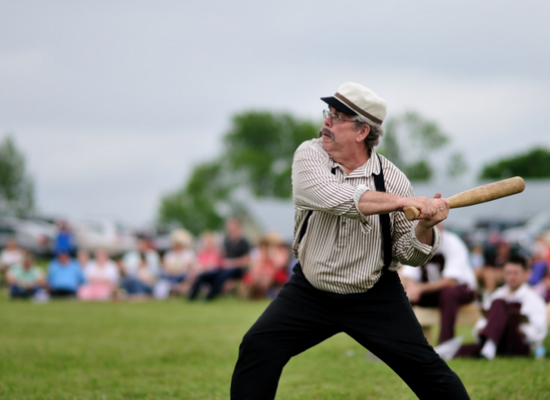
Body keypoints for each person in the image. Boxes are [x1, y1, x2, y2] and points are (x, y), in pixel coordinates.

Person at [230, 82, 470, 399]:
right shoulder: (309, 155)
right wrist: (401, 202)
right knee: (258, 346)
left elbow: (408, 254)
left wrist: (426, 226)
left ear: (361, 132)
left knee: (429, 372)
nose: (327, 121)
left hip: (374, 295)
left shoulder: (393, 179)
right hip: (310, 292)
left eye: (338, 116)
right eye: (328, 112)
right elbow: (333, 197)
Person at [442, 255, 547, 360]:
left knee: (500, 303)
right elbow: (484, 319)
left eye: (515, 273)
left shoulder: (533, 298)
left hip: (516, 343)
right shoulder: (497, 294)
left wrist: (523, 330)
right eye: (508, 273)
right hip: (499, 339)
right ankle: (487, 347)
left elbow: (539, 330)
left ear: (525, 274)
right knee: (498, 302)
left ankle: (489, 347)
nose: (511, 277)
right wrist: (481, 328)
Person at [401, 226, 478, 345]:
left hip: (462, 289)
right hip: (432, 292)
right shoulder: (417, 243)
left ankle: (445, 344)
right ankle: (399, 344)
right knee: (401, 296)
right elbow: (408, 275)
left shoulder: (453, 243)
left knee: (448, 294)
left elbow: (451, 281)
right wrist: (412, 289)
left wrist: (420, 289)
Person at [188, 218, 251, 301]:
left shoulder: (244, 242)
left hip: (237, 270)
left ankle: (210, 296)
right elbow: (222, 256)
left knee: (222, 275)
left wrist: (231, 263)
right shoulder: (227, 242)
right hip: (224, 268)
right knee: (204, 275)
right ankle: (191, 297)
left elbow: (246, 261)